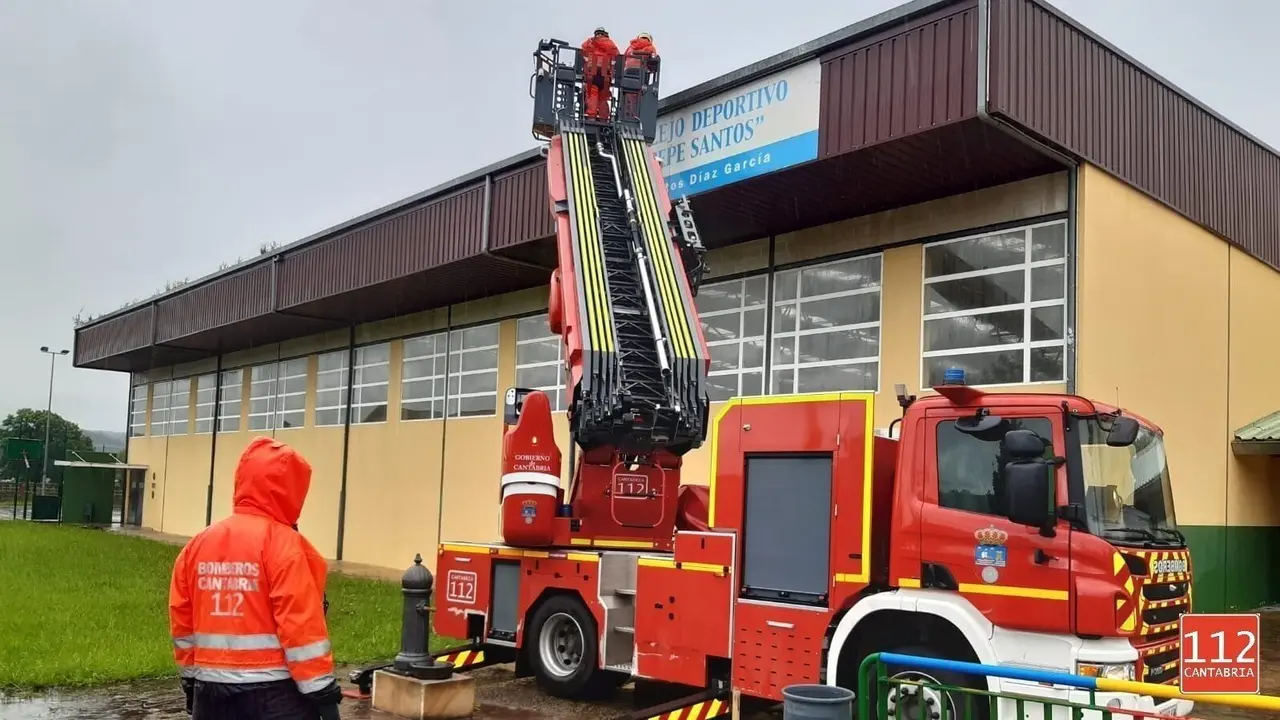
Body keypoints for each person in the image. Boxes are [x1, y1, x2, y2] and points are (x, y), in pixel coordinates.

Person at [169, 437, 342, 720]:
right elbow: (300, 625)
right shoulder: (287, 546)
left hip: (210, 691)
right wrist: (322, 692)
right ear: (293, 490)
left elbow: (182, 621)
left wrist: (190, 680)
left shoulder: (197, 546)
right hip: (275, 693)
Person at [581, 27, 619, 121]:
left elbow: (582, 52)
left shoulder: (589, 42)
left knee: (592, 94)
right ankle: (603, 118)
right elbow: (616, 55)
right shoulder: (610, 43)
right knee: (603, 97)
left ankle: (591, 116)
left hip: (591, 73)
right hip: (605, 75)